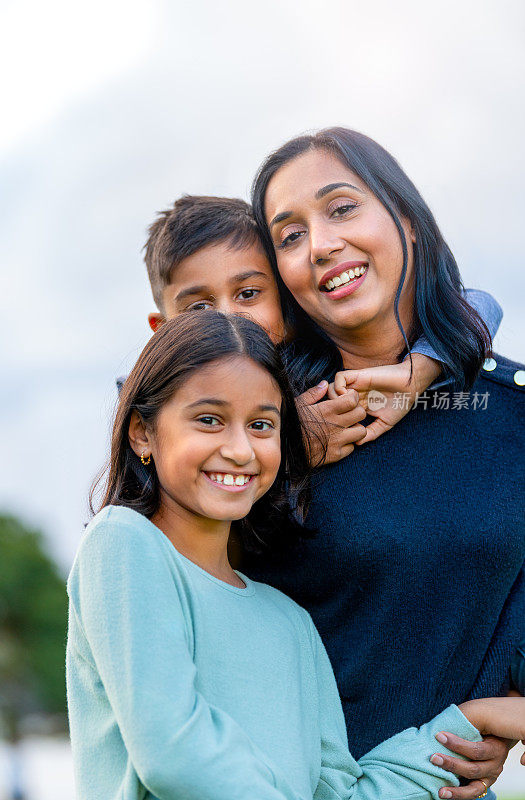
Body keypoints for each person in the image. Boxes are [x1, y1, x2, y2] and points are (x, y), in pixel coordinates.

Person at [66, 311, 525, 800]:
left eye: (262, 424)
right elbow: (174, 753)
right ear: (141, 433)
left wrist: (471, 721)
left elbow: (341, 794)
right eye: (209, 419)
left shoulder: (289, 621)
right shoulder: (123, 543)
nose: (241, 450)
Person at [244, 127, 525, 800]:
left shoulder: (509, 413)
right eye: (288, 235)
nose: (320, 245)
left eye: (341, 208)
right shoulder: (260, 429)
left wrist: (509, 712)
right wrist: (279, 445)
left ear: (406, 221)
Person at [141, 194, 502, 461]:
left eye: (248, 293)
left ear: (286, 296)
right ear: (161, 330)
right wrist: (288, 446)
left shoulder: (318, 369)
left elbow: (478, 304)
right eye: (199, 307)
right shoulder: (157, 408)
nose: (227, 318)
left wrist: (421, 368)